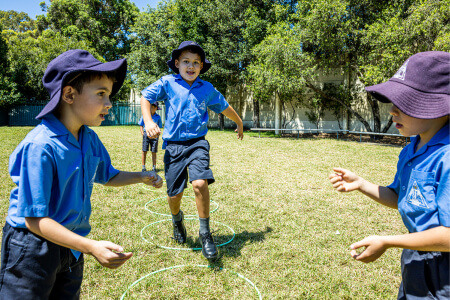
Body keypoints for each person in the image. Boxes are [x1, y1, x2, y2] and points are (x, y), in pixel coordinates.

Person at [0, 49, 163, 299]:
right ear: (69, 94)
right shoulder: (41, 146)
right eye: (101, 94)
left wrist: (141, 176)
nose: (109, 103)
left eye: (109, 95)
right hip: (32, 246)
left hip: (73, 245)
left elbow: (107, 175)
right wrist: (92, 247)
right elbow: (35, 220)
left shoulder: (89, 138)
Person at [329, 51, 449, 299]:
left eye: (406, 103)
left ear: (440, 108)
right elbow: (402, 198)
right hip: (415, 257)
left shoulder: (447, 157)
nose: (393, 110)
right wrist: (361, 184)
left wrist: (388, 241)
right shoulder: (410, 150)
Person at [140, 41, 243, 260]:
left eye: (196, 62)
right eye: (186, 61)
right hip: (174, 146)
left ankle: (205, 233)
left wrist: (240, 122)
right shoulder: (168, 83)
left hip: (197, 143)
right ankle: (177, 220)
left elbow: (224, 106)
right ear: (177, 64)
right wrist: (148, 121)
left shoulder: (206, 88)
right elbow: (146, 96)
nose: (191, 66)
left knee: (199, 183)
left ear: (202, 66)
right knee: (174, 194)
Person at [138, 103, 162, 172]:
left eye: (154, 107)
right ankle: (143, 167)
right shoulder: (145, 116)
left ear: (156, 108)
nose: (153, 108)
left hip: (155, 135)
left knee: (154, 151)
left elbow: (159, 126)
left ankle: (154, 167)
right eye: (151, 107)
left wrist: (157, 134)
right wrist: (142, 133)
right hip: (146, 134)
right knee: (144, 150)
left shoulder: (158, 117)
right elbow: (141, 124)